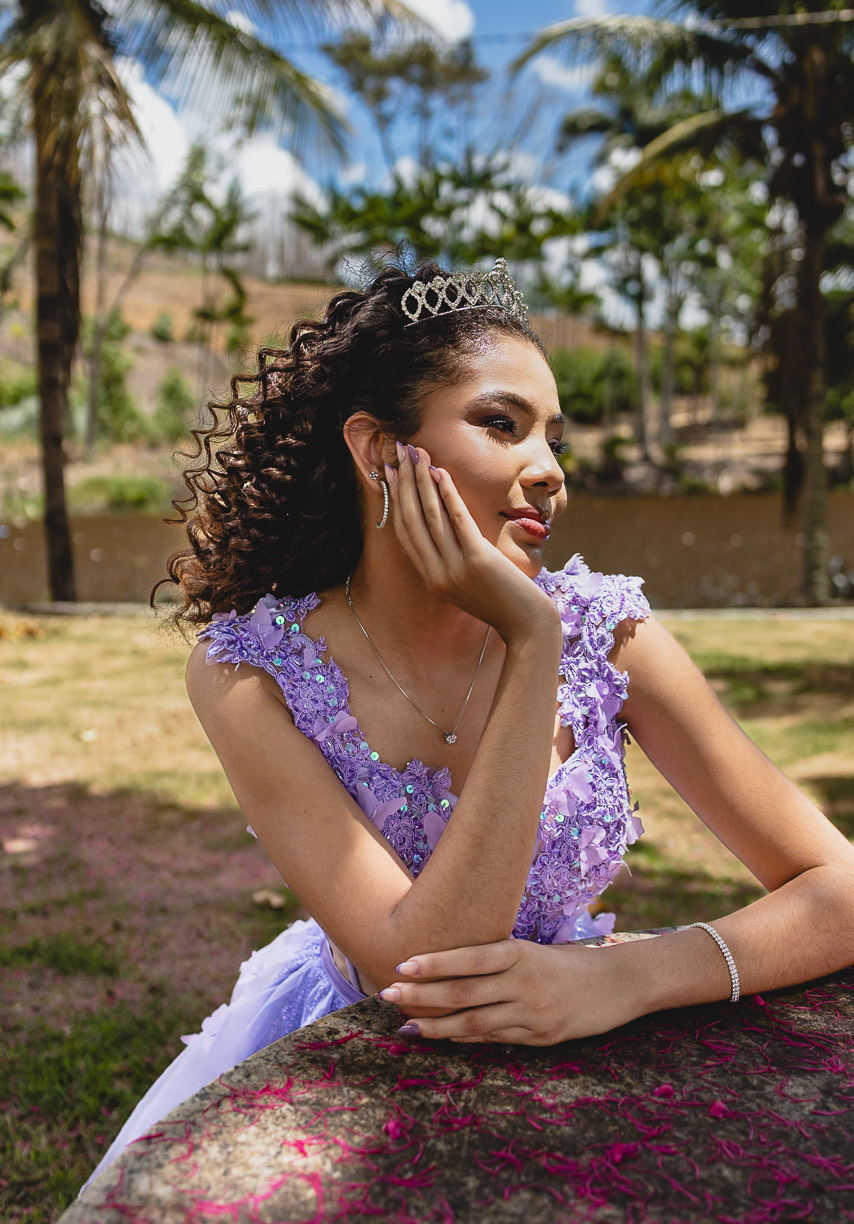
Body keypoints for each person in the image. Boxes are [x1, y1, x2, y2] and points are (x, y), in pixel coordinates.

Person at [81, 258, 854, 1194]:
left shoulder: (610, 632)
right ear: (377, 450)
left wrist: (635, 976)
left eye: (554, 437)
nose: (552, 470)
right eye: (502, 424)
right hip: (351, 1060)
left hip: (574, 1026)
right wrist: (530, 642)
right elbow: (426, 965)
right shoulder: (251, 669)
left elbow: (838, 887)